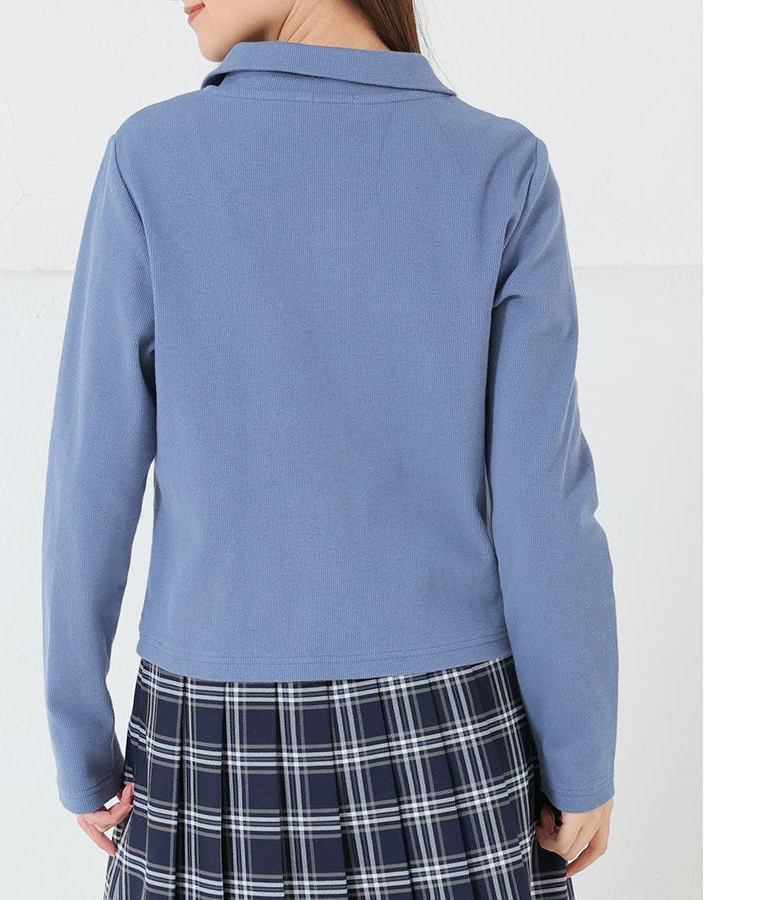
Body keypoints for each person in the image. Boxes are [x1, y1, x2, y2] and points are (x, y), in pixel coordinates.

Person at [41, 1, 619, 897]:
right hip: (449, 737)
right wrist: (580, 755)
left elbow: (90, 478)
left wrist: (80, 741)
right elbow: (545, 500)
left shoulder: (151, 160)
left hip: (211, 744)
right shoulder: (498, 168)